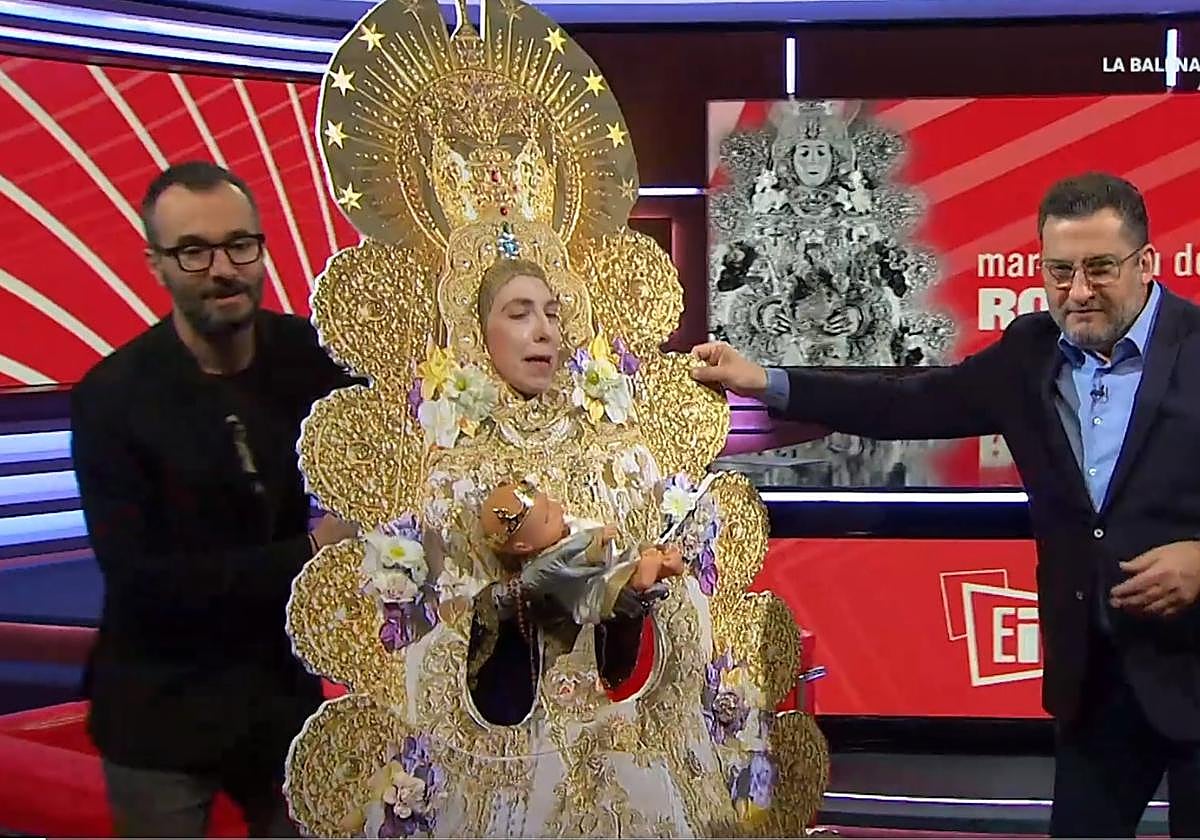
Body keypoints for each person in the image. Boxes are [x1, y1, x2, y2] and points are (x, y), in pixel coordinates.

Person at [691, 171, 1200, 838]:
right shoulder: (1029, 353)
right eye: (1060, 271)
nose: (1078, 291)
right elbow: (907, 403)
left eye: (1100, 268)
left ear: (1146, 263)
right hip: (1093, 682)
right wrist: (766, 381)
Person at [70, 161, 359, 836]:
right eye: (194, 252)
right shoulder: (111, 400)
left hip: (280, 699)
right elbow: (145, 585)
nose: (224, 269)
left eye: (239, 245)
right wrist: (309, 551)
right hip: (161, 709)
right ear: (156, 263)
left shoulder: (310, 357)